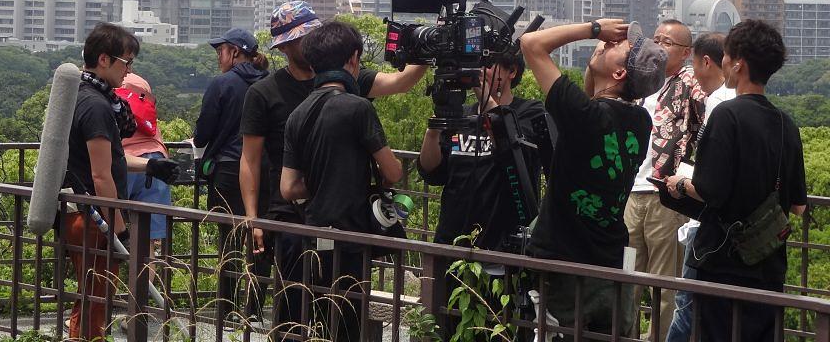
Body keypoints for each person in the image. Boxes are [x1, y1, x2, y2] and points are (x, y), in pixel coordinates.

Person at [238, 0, 426, 339]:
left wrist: (423, 51)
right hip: (292, 218)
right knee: (296, 307)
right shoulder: (265, 93)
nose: (306, 42)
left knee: (340, 307)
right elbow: (249, 160)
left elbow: (400, 82)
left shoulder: (343, 84)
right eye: (298, 38)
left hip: (328, 215)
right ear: (283, 47)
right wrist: (253, 217)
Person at [520, 19, 666, 339]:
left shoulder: (585, 117)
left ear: (619, 74)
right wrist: (600, 52)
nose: (609, 44)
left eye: (620, 47)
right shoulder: (639, 122)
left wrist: (594, 29)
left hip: (563, 264)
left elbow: (531, 44)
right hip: (610, 264)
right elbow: (595, 94)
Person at [664, 20, 807, 342]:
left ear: (738, 63)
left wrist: (680, 185)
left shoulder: (726, 115)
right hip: (768, 263)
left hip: (722, 263)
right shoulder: (786, 124)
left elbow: (709, 190)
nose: (723, 62)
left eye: (726, 56)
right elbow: (797, 206)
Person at [281, 21, 404, 342]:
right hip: (351, 239)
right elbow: (392, 172)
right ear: (353, 59)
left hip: (312, 234)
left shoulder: (297, 114)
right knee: (348, 324)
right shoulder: (357, 107)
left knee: (317, 316)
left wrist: (322, 179)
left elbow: (288, 188)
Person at [417, 41, 546, 339]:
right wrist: (435, 124)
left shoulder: (528, 113)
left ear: (511, 71)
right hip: (452, 242)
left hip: (502, 247)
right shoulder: (461, 115)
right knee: (445, 327)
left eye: (487, 65)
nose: (479, 72)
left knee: (495, 329)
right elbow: (431, 170)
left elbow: (517, 154)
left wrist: (484, 95)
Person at [61, 22, 178, 342]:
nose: (128, 71)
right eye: (126, 62)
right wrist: (119, 227)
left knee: (94, 295)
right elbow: (101, 174)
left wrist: (151, 167)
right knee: (96, 298)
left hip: (82, 211)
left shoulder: (81, 96)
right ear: (104, 60)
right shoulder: (98, 106)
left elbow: (109, 159)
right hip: (93, 216)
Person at [624, 19, 708, 341]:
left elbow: (708, 121)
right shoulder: (641, 83)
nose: (659, 45)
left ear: (686, 53)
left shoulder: (689, 83)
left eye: (668, 42)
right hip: (632, 192)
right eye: (656, 38)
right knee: (627, 275)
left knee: (663, 285)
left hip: (664, 196)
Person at [193, 27, 271, 321]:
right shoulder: (269, 83)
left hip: (228, 169)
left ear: (234, 52)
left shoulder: (222, 84)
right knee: (260, 238)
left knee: (229, 238)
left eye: (220, 51)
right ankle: (255, 310)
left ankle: (226, 310)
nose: (218, 57)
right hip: (264, 169)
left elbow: (203, 134)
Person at [666, 33, 733, 342]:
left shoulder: (720, 104)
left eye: (694, 64)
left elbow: (709, 180)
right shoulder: (761, 111)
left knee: (686, 305)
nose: (693, 74)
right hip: (732, 231)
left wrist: (680, 182)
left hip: (705, 226)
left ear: (707, 61)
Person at [115, 73, 172, 284]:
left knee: (106, 234)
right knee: (147, 239)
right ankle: (140, 302)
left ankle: (100, 306)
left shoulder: (107, 81)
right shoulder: (141, 82)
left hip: (124, 159)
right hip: (155, 159)